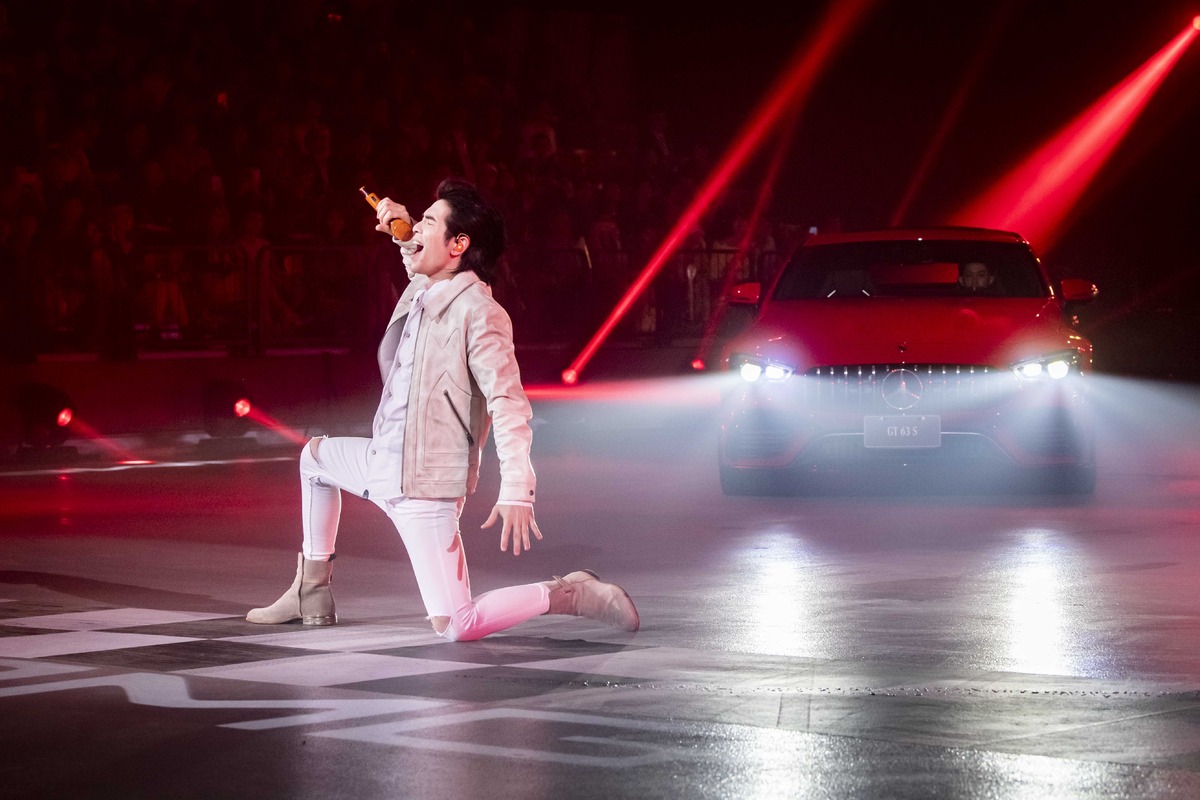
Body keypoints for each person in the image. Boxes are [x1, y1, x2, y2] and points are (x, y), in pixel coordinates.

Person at [247, 178, 639, 640]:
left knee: (455, 624)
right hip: (382, 462)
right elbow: (417, 258)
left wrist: (517, 487)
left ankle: (571, 592)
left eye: (429, 223)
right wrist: (405, 228)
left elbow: (508, 403)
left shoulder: (479, 312)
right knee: (314, 458)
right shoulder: (428, 288)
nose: (416, 230)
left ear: (459, 245)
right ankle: (311, 591)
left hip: (424, 488)